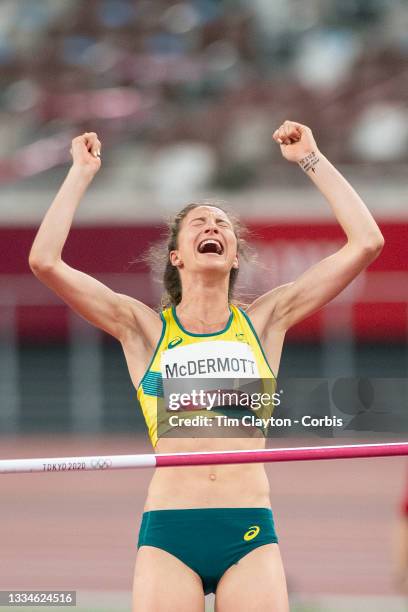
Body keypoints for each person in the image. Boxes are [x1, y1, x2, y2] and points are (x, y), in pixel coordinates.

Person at [29, 121, 384, 612]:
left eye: (222, 225)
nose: (213, 227)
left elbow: (366, 242)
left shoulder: (266, 321)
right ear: (177, 255)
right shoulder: (145, 329)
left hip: (248, 529)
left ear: (235, 256)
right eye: (199, 222)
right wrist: (81, 174)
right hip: (171, 532)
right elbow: (45, 261)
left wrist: (311, 158)